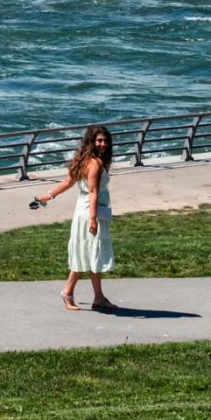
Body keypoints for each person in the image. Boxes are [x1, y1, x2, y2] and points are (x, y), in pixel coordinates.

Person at [38, 124, 118, 312]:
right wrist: (93, 219)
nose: (103, 144)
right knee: (87, 253)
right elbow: (93, 191)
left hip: (81, 211)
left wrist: (48, 195)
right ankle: (67, 292)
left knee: (89, 254)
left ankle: (99, 297)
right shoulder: (96, 164)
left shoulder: (83, 160)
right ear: (92, 141)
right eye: (99, 140)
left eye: (105, 141)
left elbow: (68, 182)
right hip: (91, 212)